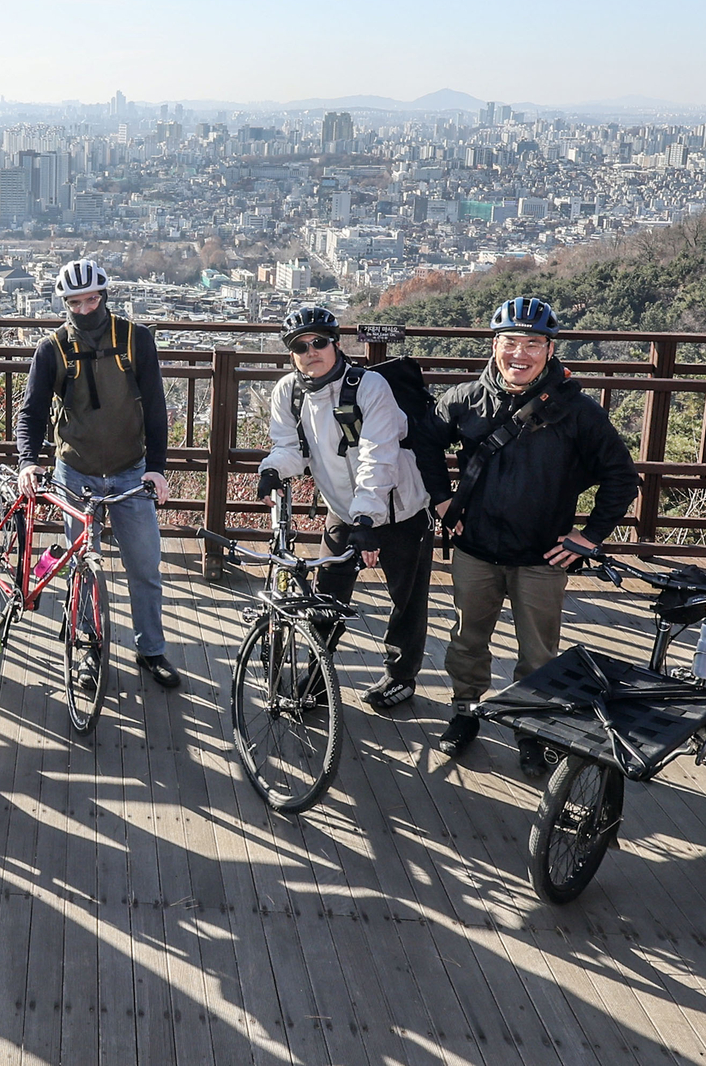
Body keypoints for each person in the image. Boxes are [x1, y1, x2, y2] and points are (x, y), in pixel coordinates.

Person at [428, 296, 641, 775]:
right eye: (510, 342)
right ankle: (464, 711)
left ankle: (532, 726)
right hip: (475, 546)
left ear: (549, 350)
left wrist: (589, 537)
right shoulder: (465, 399)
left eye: (532, 343)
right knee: (466, 637)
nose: (519, 353)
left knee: (539, 651)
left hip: (542, 553)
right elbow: (425, 442)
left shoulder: (577, 410)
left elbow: (621, 476)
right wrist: (441, 499)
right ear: (494, 344)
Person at [13, 259, 181, 692]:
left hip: (131, 470)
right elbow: (30, 411)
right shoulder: (52, 348)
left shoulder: (134, 339)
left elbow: (157, 408)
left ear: (105, 296)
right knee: (82, 567)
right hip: (77, 470)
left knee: (144, 564)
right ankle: (86, 645)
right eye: (76, 302)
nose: (86, 309)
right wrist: (29, 460)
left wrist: (158, 468)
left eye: (93, 299)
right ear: (64, 303)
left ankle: (151, 649)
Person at [257, 305, 437, 709]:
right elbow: (290, 448)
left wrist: (367, 518)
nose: (311, 351)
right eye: (300, 346)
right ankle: (318, 674)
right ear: (291, 353)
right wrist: (271, 470)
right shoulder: (289, 391)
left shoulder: (370, 387)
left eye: (319, 342)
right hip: (343, 509)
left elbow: (379, 456)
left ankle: (400, 675)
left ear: (336, 343)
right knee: (327, 597)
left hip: (399, 509)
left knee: (406, 600)